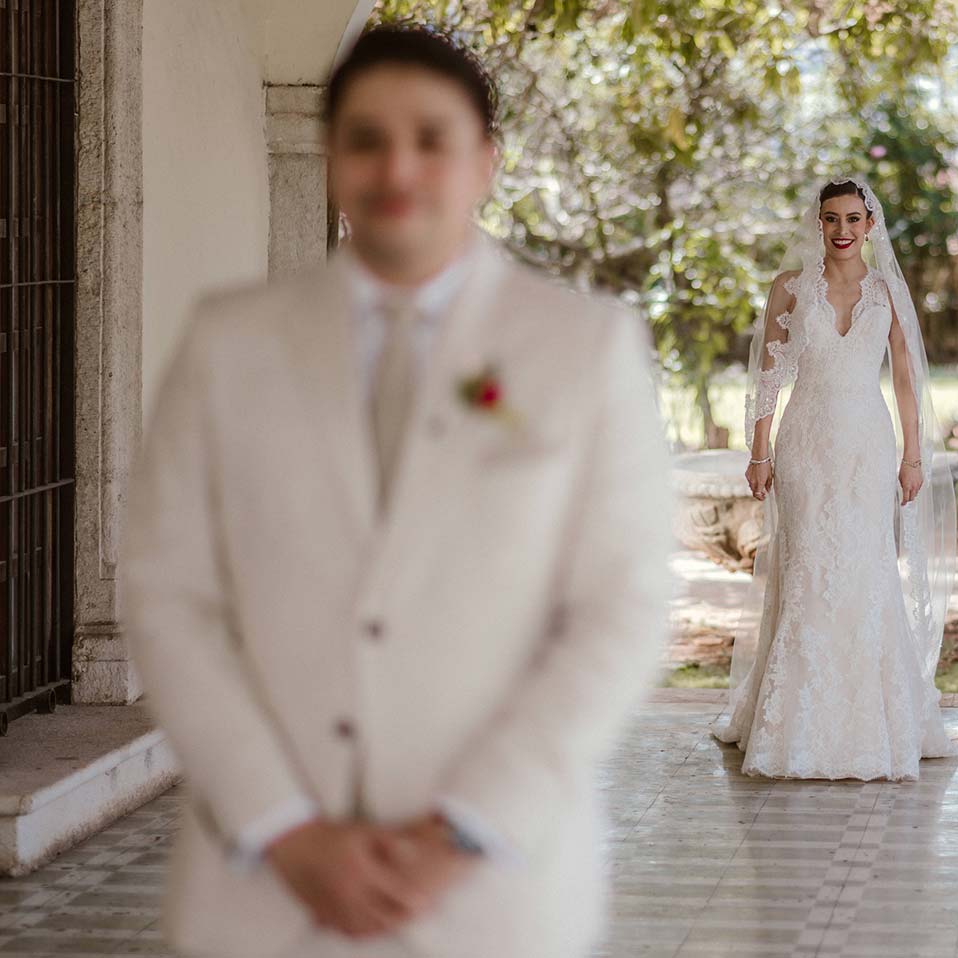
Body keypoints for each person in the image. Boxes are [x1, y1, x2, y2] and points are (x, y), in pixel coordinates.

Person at [119, 26, 673, 958]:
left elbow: (621, 610)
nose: (397, 166)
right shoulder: (230, 345)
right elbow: (168, 594)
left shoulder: (584, 347)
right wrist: (283, 827)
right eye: (366, 138)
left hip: (495, 890)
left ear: (486, 162)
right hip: (260, 894)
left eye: (431, 138)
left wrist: (460, 829)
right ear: (331, 159)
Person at [711, 175, 958, 780]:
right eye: (832, 219)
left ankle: (873, 719)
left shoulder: (889, 293)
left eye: (854, 219)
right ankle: (791, 723)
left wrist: (913, 456)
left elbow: (906, 380)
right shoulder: (789, 288)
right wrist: (758, 452)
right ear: (818, 224)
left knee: (866, 564)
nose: (843, 231)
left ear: (870, 225)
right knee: (807, 565)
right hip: (804, 442)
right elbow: (768, 378)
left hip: (866, 445)